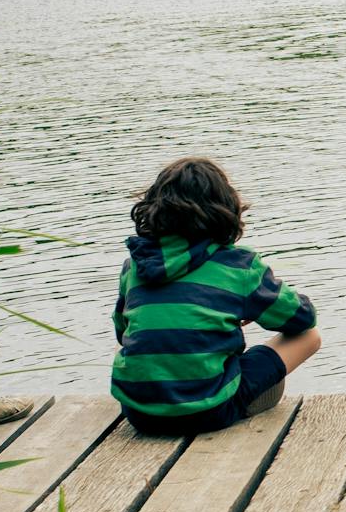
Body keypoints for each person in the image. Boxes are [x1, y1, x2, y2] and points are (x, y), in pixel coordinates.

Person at [111, 158, 322, 436]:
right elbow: (302, 318)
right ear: (225, 209)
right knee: (310, 336)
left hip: (139, 415)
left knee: (142, 343)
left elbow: (122, 332)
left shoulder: (135, 265)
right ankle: (235, 404)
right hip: (207, 414)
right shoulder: (238, 266)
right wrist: (243, 307)